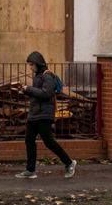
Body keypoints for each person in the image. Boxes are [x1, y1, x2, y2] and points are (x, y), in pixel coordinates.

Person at [16, 51, 76, 179]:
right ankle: (30, 170)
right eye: (29, 65)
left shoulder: (48, 76)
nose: (30, 67)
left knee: (49, 142)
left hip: (44, 114)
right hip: (35, 113)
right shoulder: (37, 76)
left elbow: (45, 93)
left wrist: (29, 89)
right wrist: (25, 90)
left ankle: (69, 162)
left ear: (38, 63)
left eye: (32, 65)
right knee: (29, 140)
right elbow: (37, 94)